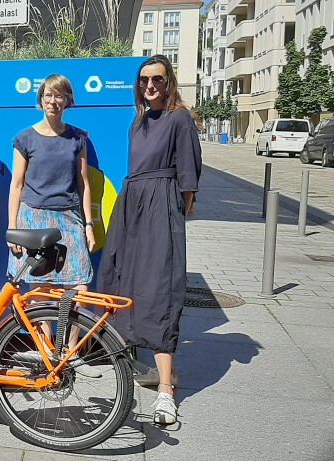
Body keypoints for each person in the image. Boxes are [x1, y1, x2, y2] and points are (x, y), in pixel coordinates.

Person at [98, 54, 202, 425]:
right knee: (124, 279)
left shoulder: (180, 119)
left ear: (169, 81)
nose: (150, 86)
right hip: (133, 204)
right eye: (144, 80)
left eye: (157, 79)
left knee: (159, 287)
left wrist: (175, 213)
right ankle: (129, 365)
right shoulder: (138, 120)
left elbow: (189, 176)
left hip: (162, 206)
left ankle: (166, 390)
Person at [6, 73, 101, 378]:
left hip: (68, 217)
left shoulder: (78, 137)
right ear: (41, 99)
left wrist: (88, 225)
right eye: (48, 95)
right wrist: (12, 227)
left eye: (59, 96)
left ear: (68, 101)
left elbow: (85, 184)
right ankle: (48, 348)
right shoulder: (25, 138)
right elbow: (16, 186)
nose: (53, 101)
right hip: (33, 216)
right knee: (39, 288)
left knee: (80, 285)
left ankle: (71, 352)